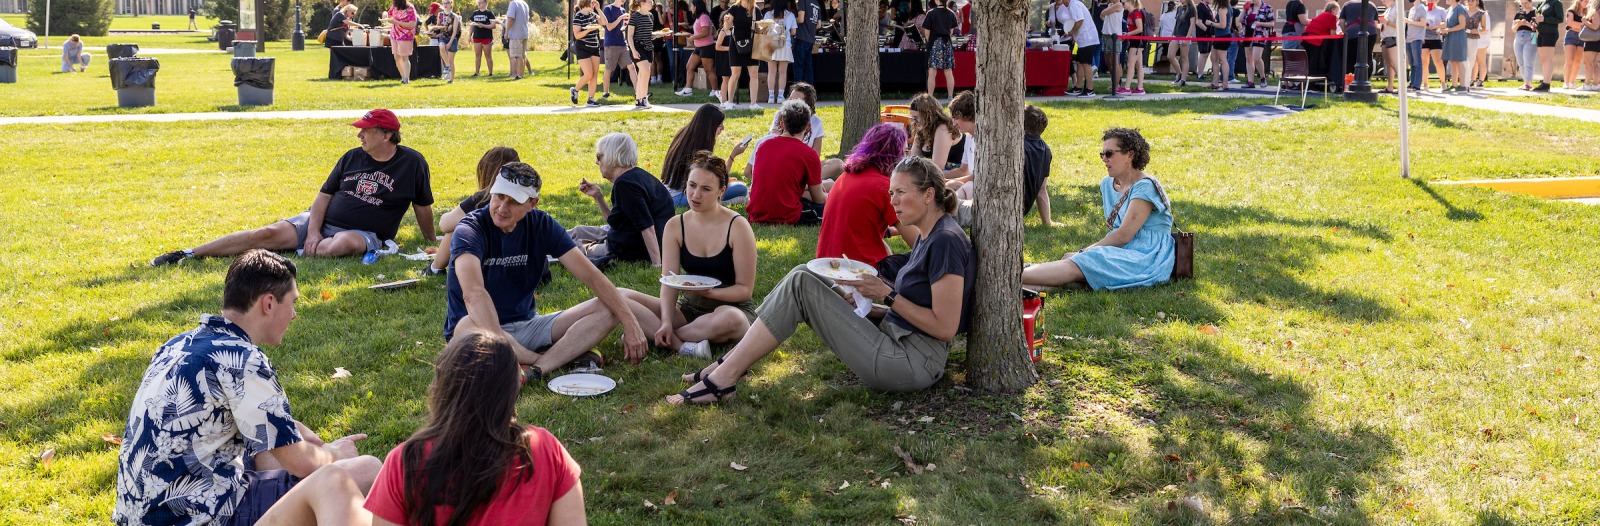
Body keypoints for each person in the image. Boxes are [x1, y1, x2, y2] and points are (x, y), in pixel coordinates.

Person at [667, 156, 974, 404]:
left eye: (900, 193)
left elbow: (944, 328)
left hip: (911, 363)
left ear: (929, 194)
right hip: (898, 342)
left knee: (802, 284)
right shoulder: (928, 234)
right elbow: (916, 309)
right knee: (805, 273)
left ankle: (724, 377)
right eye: (891, 192)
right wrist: (867, 304)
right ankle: (730, 366)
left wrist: (887, 295)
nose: (892, 200)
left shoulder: (945, 240)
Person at [114, 250, 383, 525]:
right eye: (292, 303)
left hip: (142, 514)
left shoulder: (178, 344)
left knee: (268, 446)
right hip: (201, 517)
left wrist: (293, 428)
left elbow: (232, 418)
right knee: (363, 471)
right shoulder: (242, 360)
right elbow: (303, 463)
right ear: (268, 303)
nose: (293, 315)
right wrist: (336, 453)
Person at [152, 110, 436, 267]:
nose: (359, 134)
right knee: (265, 233)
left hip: (362, 234)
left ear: (387, 135)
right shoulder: (352, 156)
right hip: (321, 221)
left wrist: (431, 239)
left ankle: (298, 249)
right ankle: (189, 253)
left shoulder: (412, 163)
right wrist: (313, 230)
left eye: (366, 130)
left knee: (343, 245)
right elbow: (324, 196)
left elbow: (422, 205)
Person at [444, 161, 649, 377]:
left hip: (528, 324)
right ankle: (545, 360)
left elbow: (592, 276)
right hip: (478, 329)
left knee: (609, 307)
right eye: (499, 197)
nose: (502, 208)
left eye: (514, 201)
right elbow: (473, 294)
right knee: (466, 326)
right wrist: (505, 344)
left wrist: (630, 322)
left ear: (532, 204)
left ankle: (536, 368)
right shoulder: (470, 229)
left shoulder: (542, 224)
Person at [362, 333, 587, 526]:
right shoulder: (545, 450)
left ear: (442, 387)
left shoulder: (406, 460)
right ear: (511, 392)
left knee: (335, 482)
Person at [615, 152, 759, 358]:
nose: (695, 195)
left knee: (731, 319)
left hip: (731, 308)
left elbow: (744, 290)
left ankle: (659, 336)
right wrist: (665, 320)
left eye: (706, 189)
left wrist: (711, 294)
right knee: (619, 295)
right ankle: (679, 343)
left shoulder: (737, 226)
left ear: (722, 191)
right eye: (692, 185)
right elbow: (669, 281)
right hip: (688, 310)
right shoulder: (676, 225)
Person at [1022, 128, 1174, 291]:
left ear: (1130, 155)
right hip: (1122, 250)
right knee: (1081, 262)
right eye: (1102, 154)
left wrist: (1084, 252)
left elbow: (1124, 235)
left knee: (1087, 259)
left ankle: (1011, 275)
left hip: (1146, 257)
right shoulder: (1107, 185)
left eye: (1109, 153)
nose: (1104, 159)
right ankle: (1025, 281)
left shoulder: (1145, 187)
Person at [816, 124, 921, 271]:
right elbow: (919, 243)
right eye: (904, 153)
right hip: (860, 271)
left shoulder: (845, 177)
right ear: (895, 155)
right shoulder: (885, 187)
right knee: (930, 257)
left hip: (826, 266)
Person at [565, 133, 676, 267]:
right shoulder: (638, 176)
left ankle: (546, 245)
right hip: (628, 238)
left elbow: (647, 227)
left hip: (630, 249)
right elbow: (616, 222)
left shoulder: (626, 185)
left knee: (573, 247)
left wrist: (657, 264)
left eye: (599, 156)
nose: (597, 162)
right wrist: (598, 196)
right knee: (578, 231)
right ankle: (544, 238)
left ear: (612, 156)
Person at [427, 146, 521, 275]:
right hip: (526, 265)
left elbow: (445, 224)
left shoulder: (483, 198)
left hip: (493, 263)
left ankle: (435, 269)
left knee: (456, 230)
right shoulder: (525, 198)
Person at [747, 100, 826, 224]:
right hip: (785, 215)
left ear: (782, 124)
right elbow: (819, 198)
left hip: (755, 213)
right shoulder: (808, 154)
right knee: (828, 206)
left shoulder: (764, 146)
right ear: (808, 126)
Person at [661, 104, 752, 206]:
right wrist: (732, 156)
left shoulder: (684, 134)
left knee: (736, 186)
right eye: (719, 125)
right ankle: (720, 204)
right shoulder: (700, 147)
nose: (723, 128)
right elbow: (714, 180)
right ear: (710, 127)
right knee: (741, 188)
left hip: (667, 193)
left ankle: (719, 203)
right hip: (682, 197)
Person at [908, 92, 964, 172]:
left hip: (951, 174)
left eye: (917, 118)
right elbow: (913, 158)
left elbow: (937, 166)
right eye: (913, 118)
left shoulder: (943, 129)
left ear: (928, 116)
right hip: (932, 172)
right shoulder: (922, 128)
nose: (914, 121)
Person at [677, 0, 720, 97]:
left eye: (692, 6)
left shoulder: (704, 17)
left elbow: (705, 33)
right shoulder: (699, 17)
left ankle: (715, 90)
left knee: (708, 70)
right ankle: (688, 89)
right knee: (689, 67)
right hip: (699, 47)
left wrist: (693, 37)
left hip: (706, 47)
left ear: (696, 6)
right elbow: (699, 33)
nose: (691, 8)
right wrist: (691, 35)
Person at [725, 0, 762, 108]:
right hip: (736, 44)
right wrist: (726, 21)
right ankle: (730, 102)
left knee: (754, 73)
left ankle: (753, 103)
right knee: (735, 73)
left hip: (752, 43)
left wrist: (763, 28)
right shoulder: (734, 8)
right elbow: (727, 27)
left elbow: (758, 29)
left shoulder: (755, 10)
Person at [921, 0, 959, 100]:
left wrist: (930, 42)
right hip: (947, 43)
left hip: (934, 42)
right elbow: (951, 31)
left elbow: (927, 33)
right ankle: (950, 96)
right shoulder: (951, 13)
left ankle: (930, 97)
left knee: (932, 72)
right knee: (949, 71)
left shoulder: (931, 13)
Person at [763, 0, 799, 103]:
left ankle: (770, 96)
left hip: (771, 45)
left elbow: (764, 30)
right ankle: (780, 96)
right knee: (782, 72)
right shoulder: (790, 15)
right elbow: (793, 31)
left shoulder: (768, 14)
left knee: (771, 71)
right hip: (785, 44)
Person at [625, 0, 658, 108]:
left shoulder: (650, 16)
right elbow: (629, 35)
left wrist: (656, 35)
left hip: (648, 47)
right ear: (642, 3)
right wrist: (633, 50)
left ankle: (639, 99)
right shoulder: (635, 16)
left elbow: (648, 34)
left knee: (642, 74)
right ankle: (644, 99)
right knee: (646, 72)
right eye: (649, 1)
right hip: (638, 46)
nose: (652, 3)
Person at [572, 0, 606, 105]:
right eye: (592, 4)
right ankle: (575, 90)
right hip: (583, 47)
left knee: (595, 74)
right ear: (585, 3)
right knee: (588, 74)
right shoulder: (578, 16)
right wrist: (588, 30)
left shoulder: (593, 15)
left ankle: (590, 99)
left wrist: (599, 9)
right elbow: (577, 35)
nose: (593, 5)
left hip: (594, 46)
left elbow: (604, 22)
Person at [943, 91, 977, 196]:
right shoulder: (968, 138)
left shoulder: (983, 140)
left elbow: (977, 176)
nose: (953, 123)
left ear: (968, 116)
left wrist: (949, 183)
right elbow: (963, 170)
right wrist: (940, 178)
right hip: (971, 184)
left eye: (956, 118)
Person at [1065, 0, 1102, 96]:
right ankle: (1078, 87)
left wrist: (1071, 32)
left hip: (1087, 38)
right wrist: (1073, 35)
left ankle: (1090, 90)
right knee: (1079, 63)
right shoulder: (1073, 5)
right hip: (1083, 40)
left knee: (1086, 64)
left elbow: (1080, 21)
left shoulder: (1074, 4)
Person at [1340, 0, 1377, 92]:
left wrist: (1346, 32)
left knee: (1351, 58)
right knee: (1367, 56)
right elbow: (1375, 23)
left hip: (1353, 31)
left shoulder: (1347, 5)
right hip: (1371, 31)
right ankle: (1366, 81)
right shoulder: (1371, 4)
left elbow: (1341, 22)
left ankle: (1350, 82)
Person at [1302, 2, 1340, 87]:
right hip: (1315, 40)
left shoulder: (1322, 15)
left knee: (1309, 61)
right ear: (1333, 9)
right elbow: (1333, 34)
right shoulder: (1332, 17)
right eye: (1337, 10)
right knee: (1315, 62)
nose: (1338, 13)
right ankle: (1312, 84)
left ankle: (1307, 83)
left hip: (1306, 38)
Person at [384, 0, 421, 84]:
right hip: (394, 34)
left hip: (405, 35)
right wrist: (388, 19)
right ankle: (403, 77)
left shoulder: (410, 8)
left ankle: (406, 79)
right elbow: (389, 15)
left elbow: (412, 24)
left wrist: (396, 22)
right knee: (396, 57)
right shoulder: (394, 7)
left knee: (404, 57)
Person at [602, 0, 632, 98]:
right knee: (609, 69)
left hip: (622, 43)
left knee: (631, 67)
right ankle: (605, 93)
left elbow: (622, 27)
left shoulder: (623, 10)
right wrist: (620, 18)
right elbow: (609, 27)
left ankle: (639, 93)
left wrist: (626, 22)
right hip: (611, 44)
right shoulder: (608, 9)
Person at [1242, 0, 1274, 88]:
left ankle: (1262, 77)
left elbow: (1271, 23)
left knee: (1256, 57)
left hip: (1260, 34)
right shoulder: (1249, 7)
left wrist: (1260, 23)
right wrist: (1244, 10)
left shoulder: (1267, 8)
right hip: (1247, 34)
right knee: (1249, 59)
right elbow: (1240, 20)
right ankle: (1250, 81)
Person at [1119, 0, 1149, 94]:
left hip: (1138, 41)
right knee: (1138, 65)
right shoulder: (1129, 13)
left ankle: (1127, 88)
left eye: (1123, 2)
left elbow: (1140, 29)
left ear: (1130, 2)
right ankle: (1140, 88)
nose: (1122, 4)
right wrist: (1127, 35)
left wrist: (1127, 34)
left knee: (1130, 64)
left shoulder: (1136, 13)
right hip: (1134, 41)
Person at [1534, 0, 1565, 90]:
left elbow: (1560, 19)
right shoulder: (1542, 3)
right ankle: (1544, 81)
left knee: (1548, 59)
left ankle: (1546, 84)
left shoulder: (1556, 3)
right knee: (1543, 59)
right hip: (1540, 33)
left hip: (1550, 33)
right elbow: (1538, 15)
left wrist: (1545, 19)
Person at [429, 1, 463, 83]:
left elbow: (455, 32)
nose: (445, 5)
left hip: (452, 39)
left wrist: (450, 43)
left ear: (451, 4)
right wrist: (433, 30)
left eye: (447, 3)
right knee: (441, 47)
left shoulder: (455, 16)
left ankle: (451, 79)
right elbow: (439, 27)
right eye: (444, 3)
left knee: (451, 61)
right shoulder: (440, 14)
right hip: (443, 37)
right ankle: (447, 65)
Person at [1440, 0, 1469, 92]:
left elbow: (1462, 25)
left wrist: (1448, 30)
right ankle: (1454, 84)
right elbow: (1447, 24)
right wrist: (1442, 29)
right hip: (1450, 37)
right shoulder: (1450, 9)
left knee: (1459, 60)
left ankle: (1463, 85)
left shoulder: (1460, 8)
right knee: (1452, 61)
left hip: (1458, 37)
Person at [1205, 0, 1233, 89]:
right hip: (1220, 36)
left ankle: (1225, 84)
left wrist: (1211, 23)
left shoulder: (1222, 9)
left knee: (1223, 60)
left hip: (1223, 36)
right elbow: (1229, 23)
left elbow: (1223, 25)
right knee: (1213, 58)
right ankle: (1215, 82)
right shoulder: (1228, 8)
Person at [1422, 0, 1448, 90]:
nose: (1430, 1)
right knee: (1424, 62)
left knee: (1438, 61)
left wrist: (1434, 26)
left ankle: (1443, 83)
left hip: (1436, 38)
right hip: (1424, 38)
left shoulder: (1441, 10)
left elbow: (1445, 24)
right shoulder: (1423, 10)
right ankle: (1425, 84)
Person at [1515, 0, 1541, 89]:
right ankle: (1526, 81)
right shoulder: (1519, 13)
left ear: (1531, 2)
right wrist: (1518, 24)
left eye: (1526, 3)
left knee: (1528, 60)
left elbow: (1536, 28)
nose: (1524, 5)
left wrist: (1527, 24)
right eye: (1522, 3)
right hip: (1518, 36)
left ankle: (1528, 82)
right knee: (1520, 61)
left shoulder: (1536, 12)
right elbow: (1513, 29)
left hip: (1532, 36)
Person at [469, 0, 499, 76]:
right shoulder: (475, 13)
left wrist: (483, 26)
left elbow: (493, 25)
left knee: (488, 55)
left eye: (481, 2)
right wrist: (469, 35)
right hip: (477, 36)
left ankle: (490, 72)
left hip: (486, 37)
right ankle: (477, 72)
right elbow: (472, 25)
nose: (479, 4)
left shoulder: (489, 13)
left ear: (486, 3)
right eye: (478, 2)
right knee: (477, 55)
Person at [794, 0, 820, 85]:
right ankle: (809, 91)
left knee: (799, 65)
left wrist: (790, 20)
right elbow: (819, 25)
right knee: (808, 66)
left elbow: (801, 19)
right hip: (810, 39)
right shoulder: (816, 3)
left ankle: (798, 91)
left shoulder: (802, 1)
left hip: (801, 37)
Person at [1564, 0, 1588, 89]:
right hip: (1571, 36)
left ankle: (1572, 82)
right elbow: (1570, 23)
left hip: (1582, 37)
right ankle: (1566, 82)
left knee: (1577, 62)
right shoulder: (1571, 11)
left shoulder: (1587, 13)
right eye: (1585, 1)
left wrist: (1577, 25)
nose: (1587, 3)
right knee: (1569, 60)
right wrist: (1584, 24)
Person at [1171, 0, 1195, 86]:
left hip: (1185, 35)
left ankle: (1183, 80)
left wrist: (1187, 37)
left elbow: (1192, 24)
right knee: (1170, 55)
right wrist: (1172, 33)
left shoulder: (1191, 8)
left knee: (1184, 58)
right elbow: (1176, 22)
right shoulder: (1179, 8)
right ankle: (1179, 73)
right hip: (1176, 34)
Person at [504, 0, 530, 80]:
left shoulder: (513, 3)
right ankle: (521, 74)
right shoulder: (524, 3)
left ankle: (519, 75)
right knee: (522, 55)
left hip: (516, 34)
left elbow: (511, 19)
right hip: (524, 32)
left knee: (517, 55)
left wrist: (506, 32)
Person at [1469, 0, 1491, 87]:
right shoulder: (1470, 13)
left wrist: (1476, 31)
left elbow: (1486, 29)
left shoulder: (1484, 14)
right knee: (1473, 61)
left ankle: (1481, 80)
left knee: (1481, 60)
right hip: (1472, 39)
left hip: (1482, 40)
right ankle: (1472, 79)